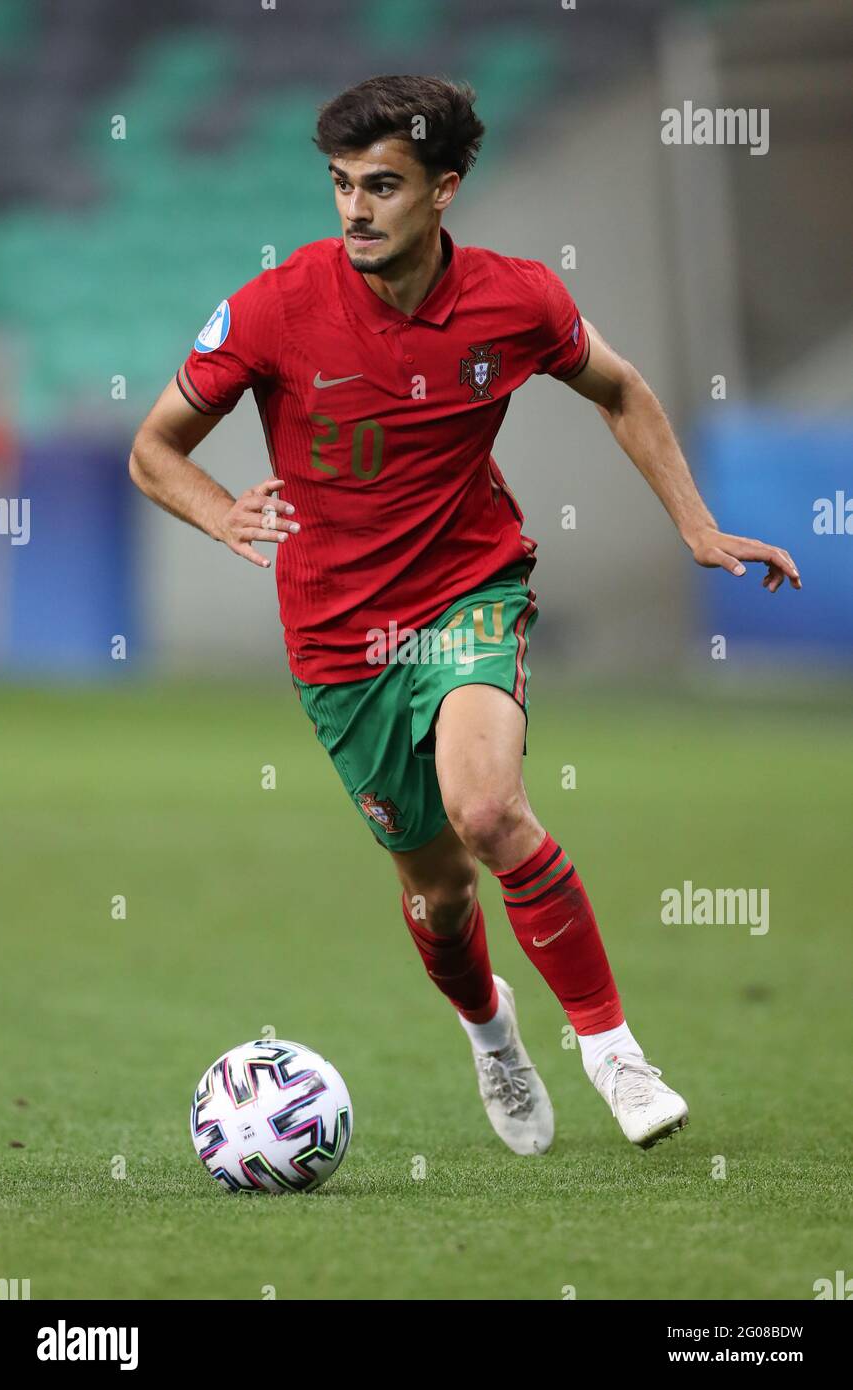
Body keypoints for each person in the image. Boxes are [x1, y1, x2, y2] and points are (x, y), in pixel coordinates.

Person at [130, 75, 800, 1156]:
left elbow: (619, 389)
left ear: (443, 189)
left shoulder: (517, 300)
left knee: (487, 812)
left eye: (381, 186)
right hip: (337, 640)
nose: (354, 208)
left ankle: (613, 1051)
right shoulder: (272, 308)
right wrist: (218, 512)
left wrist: (695, 524)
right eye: (341, 185)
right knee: (439, 893)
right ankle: (491, 1032)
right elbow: (154, 446)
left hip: (464, 592)